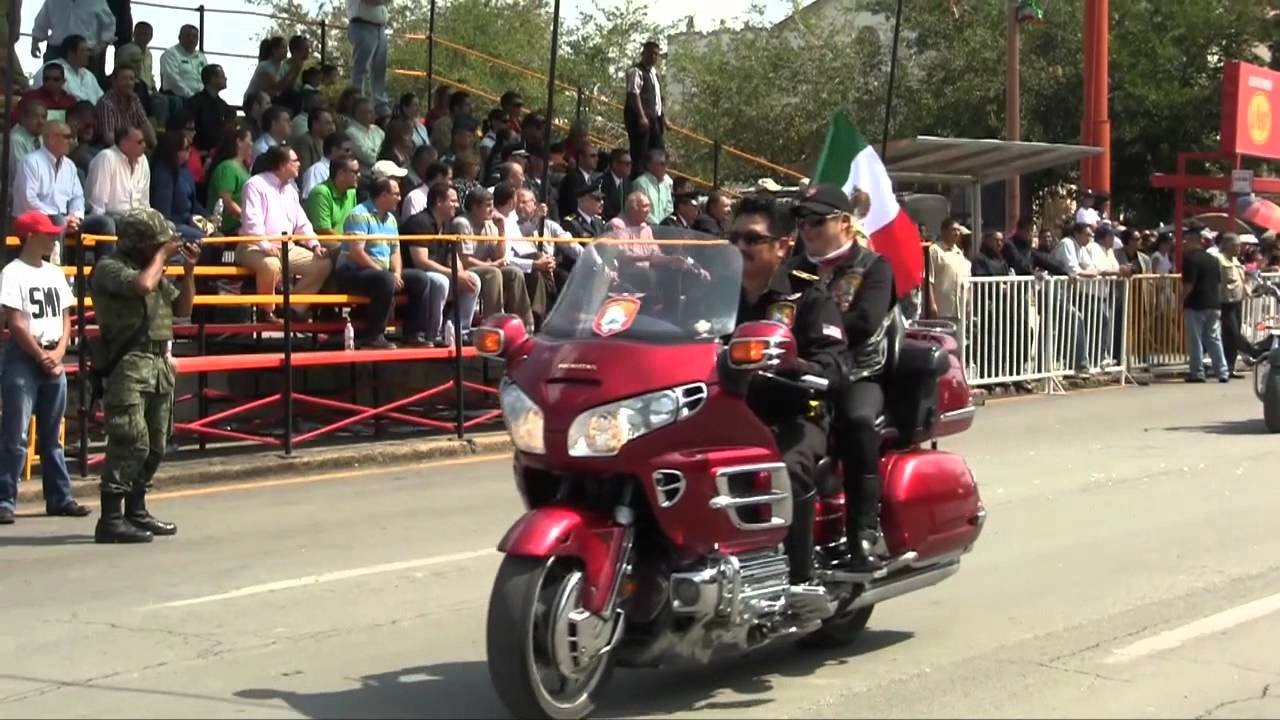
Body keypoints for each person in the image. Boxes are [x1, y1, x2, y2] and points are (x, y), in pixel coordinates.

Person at [731, 192, 847, 592]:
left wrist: (794, 366)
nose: (740, 247)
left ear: (783, 246)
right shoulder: (713, 294)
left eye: (752, 239)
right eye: (734, 239)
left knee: (785, 469)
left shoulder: (807, 296)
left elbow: (834, 365)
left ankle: (800, 580)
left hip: (794, 414)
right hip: (726, 413)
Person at [787, 185, 896, 572]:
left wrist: (814, 331)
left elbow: (865, 321)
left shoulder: (873, 266)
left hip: (856, 372)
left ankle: (863, 533)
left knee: (858, 421)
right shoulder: (791, 269)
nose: (807, 229)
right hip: (797, 370)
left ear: (845, 223)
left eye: (817, 221)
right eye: (802, 221)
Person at [91, 209, 198, 543]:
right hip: (128, 364)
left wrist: (189, 272)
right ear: (136, 243)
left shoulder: (153, 270)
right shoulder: (111, 268)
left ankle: (136, 511)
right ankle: (110, 519)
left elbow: (183, 310)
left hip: (157, 364)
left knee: (156, 443)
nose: (161, 249)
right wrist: (162, 256)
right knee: (130, 440)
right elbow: (142, 286)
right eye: (156, 244)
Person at [0, 212, 90, 525]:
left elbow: (65, 318)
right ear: (30, 237)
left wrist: (61, 350)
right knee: (16, 434)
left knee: (53, 435)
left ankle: (59, 497)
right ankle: (5, 499)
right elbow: (16, 323)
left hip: (52, 352)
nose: (53, 238)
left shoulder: (54, 272)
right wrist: (42, 355)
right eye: (47, 234)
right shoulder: (13, 273)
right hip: (26, 355)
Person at [236, 146, 332, 321]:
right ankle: (266, 312)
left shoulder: (291, 190)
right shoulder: (255, 185)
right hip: (253, 247)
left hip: (287, 247)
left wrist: (315, 245)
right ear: (282, 165)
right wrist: (265, 245)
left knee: (323, 264)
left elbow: (302, 223)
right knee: (271, 265)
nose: (299, 164)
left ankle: (290, 308)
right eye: (295, 161)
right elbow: (252, 223)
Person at [337, 177, 425, 348]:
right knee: (385, 280)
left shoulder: (391, 219)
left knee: (420, 279)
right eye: (396, 194)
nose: (400, 198)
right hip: (352, 272)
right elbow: (356, 253)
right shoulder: (359, 215)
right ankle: (373, 336)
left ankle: (413, 333)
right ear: (384, 195)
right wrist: (386, 274)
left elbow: (395, 251)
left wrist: (397, 273)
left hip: (380, 273)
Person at [401, 181, 481, 345]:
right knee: (440, 281)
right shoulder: (419, 222)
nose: (457, 205)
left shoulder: (447, 224)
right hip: (416, 274)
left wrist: (461, 274)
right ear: (439, 201)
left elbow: (453, 256)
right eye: (453, 201)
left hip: (439, 271)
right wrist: (454, 275)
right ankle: (433, 334)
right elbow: (421, 261)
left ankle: (458, 330)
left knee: (473, 279)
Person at [452, 187, 532, 328]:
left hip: (485, 267)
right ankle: (494, 324)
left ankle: (525, 323)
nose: (492, 210)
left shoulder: (489, 224)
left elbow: (498, 255)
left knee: (514, 272)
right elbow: (465, 260)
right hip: (465, 271)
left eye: (492, 205)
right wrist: (492, 265)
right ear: (475, 207)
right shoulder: (462, 223)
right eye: (488, 205)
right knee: (493, 273)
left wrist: (501, 231)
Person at [1182, 231, 1228, 384]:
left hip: (1195, 303)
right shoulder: (1213, 260)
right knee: (1214, 338)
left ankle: (1197, 372)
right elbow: (1219, 283)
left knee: (1195, 339)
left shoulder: (1190, 260)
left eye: (1186, 241)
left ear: (1193, 241)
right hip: (1213, 303)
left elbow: (1189, 285)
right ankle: (1222, 371)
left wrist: (1180, 300)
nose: (1184, 244)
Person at [624, 40, 665, 179]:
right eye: (651, 53)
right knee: (640, 154)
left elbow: (658, 97)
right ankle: (637, 182)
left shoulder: (654, 73)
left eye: (656, 54)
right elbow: (633, 94)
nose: (654, 57)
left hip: (655, 119)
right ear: (643, 53)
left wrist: (663, 117)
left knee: (657, 152)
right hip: (640, 119)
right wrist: (641, 116)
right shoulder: (636, 71)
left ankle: (654, 180)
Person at [205, 127, 252, 235]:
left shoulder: (243, 167)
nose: (251, 144)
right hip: (229, 228)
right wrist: (248, 219)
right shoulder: (227, 168)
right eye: (249, 140)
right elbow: (227, 202)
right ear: (239, 142)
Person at [348, 0, 390, 118]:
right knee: (361, 69)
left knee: (379, 69)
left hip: (380, 27)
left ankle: (379, 104)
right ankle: (357, 103)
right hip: (362, 25)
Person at [32, 35, 103, 105]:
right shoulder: (51, 69)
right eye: (83, 51)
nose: (88, 54)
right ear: (71, 53)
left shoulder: (89, 75)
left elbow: (101, 99)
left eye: (88, 51)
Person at [185, 64, 233, 154]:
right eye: (222, 76)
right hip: (199, 151)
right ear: (213, 79)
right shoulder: (194, 103)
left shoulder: (224, 106)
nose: (226, 78)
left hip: (218, 152)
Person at [301, 131, 352, 199]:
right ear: (334, 150)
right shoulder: (316, 171)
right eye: (347, 150)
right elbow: (309, 198)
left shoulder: (346, 170)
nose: (350, 153)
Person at [632, 148, 673, 225]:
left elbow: (669, 209)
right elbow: (641, 210)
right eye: (661, 164)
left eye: (665, 164)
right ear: (649, 166)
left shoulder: (665, 185)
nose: (665, 167)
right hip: (645, 228)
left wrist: (664, 225)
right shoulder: (641, 183)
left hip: (664, 229)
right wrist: (658, 225)